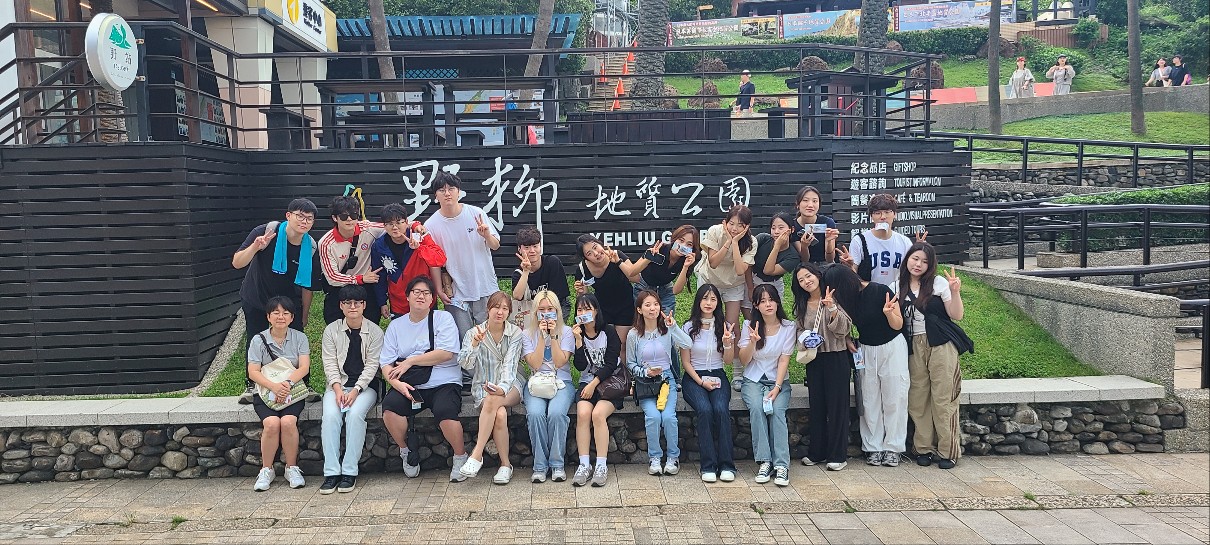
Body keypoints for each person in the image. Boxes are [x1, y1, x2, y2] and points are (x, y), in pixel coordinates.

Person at [378, 276, 468, 482]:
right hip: (409, 383)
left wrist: (410, 361)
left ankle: (460, 456)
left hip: (444, 381)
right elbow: (386, 363)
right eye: (416, 292)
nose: (421, 296)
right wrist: (397, 385)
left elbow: (446, 353)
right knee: (390, 409)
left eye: (426, 293)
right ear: (407, 296)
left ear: (432, 299)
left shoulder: (443, 319)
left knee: (446, 411)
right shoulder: (396, 326)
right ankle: (406, 451)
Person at [232, 198, 320, 404]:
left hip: (288, 303)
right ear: (288, 216)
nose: (304, 222)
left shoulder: (310, 246)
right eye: (300, 216)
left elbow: (307, 286)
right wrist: (255, 247)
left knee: (296, 341)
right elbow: (237, 262)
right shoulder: (266, 232)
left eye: (309, 219)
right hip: (257, 297)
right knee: (255, 339)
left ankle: (302, 383)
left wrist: (304, 314)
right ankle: (252, 385)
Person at [894, 242, 969, 470]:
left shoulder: (938, 283)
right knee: (918, 398)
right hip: (912, 346)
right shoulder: (896, 286)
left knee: (943, 397)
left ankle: (948, 450)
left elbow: (956, 315)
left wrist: (955, 292)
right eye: (915, 258)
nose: (918, 264)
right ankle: (923, 448)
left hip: (941, 344)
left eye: (925, 261)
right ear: (907, 259)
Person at [826, 265, 908, 467]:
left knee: (895, 397)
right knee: (869, 399)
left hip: (892, 346)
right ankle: (873, 447)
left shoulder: (880, 290)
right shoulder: (845, 301)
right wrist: (847, 339)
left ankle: (893, 447)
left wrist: (888, 313)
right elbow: (844, 325)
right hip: (865, 349)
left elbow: (898, 325)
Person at [318, 285, 383, 494]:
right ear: (341, 306)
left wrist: (355, 391)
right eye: (348, 303)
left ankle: (349, 471)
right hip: (337, 386)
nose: (352, 306)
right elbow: (329, 363)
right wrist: (338, 390)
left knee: (355, 415)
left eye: (357, 303)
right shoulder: (331, 330)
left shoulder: (375, 331)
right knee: (330, 417)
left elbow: (372, 366)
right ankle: (331, 472)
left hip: (366, 387)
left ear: (364, 305)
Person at [457, 291, 524, 485]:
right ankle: (505, 465)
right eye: (496, 307)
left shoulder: (515, 333)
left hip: (510, 385)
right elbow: (465, 364)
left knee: (494, 399)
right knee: (500, 414)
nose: (500, 312)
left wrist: (501, 389)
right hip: (482, 387)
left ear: (509, 312)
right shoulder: (474, 332)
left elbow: (510, 366)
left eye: (505, 309)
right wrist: (475, 344)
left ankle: (476, 454)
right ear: (488, 309)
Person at [423, 171, 500, 338]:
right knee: (464, 339)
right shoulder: (431, 225)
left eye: (451, 188)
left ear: (459, 191)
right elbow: (434, 262)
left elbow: (495, 245)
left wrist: (487, 235)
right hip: (456, 291)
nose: (447, 193)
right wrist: (439, 290)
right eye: (442, 190)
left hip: (484, 285)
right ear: (435, 195)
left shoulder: (476, 213)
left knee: (489, 338)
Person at [793, 264, 855, 471]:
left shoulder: (835, 297)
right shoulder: (802, 304)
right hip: (814, 359)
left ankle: (838, 455)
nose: (806, 281)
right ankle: (817, 452)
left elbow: (844, 330)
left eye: (808, 276)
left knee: (837, 407)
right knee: (817, 406)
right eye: (801, 280)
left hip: (836, 356)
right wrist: (805, 339)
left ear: (818, 275)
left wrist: (832, 309)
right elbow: (798, 330)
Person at [246, 296, 311, 491]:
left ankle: (292, 468)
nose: (280, 317)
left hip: (292, 392)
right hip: (266, 392)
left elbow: (304, 367)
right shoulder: (258, 340)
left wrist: (287, 384)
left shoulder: (300, 338)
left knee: (288, 422)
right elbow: (253, 371)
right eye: (276, 313)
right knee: (272, 424)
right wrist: (274, 387)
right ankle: (266, 469)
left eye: (285, 313)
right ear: (268, 317)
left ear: (292, 317)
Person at [626, 290, 693, 477]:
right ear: (639, 309)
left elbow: (687, 344)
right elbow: (630, 363)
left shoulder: (666, 330)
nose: (652, 308)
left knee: (669, 417)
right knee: (654, 417)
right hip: (645, 382)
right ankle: (655, 458)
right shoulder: (633, 335)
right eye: (647, 305)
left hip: (666, 380)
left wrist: (674, 327)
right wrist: (645, 372)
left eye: (655, 304)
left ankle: (673, 457)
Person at [737, 284, 796, 487]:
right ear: (756, 305)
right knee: (756, 408)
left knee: (777, 411)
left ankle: (781, 465)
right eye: (762, 301)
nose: (768, 304)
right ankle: (765, 461)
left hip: (778, 380)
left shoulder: (788, 327)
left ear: (777, 301)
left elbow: (784, 360)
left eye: (771, 300)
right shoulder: (749, 325)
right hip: (753, 379)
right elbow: (743, 360)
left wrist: (777, 387)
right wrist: (752, 342)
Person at [679, 284, 737, 483]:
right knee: (704, 409)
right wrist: (701, 381)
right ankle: (708, 465)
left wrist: (727, 343)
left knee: (720, 409)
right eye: (705, 298)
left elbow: (727, 361)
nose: (708, 303)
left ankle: (727, 465)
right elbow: (686, 362)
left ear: (718, 303)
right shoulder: (688, 327)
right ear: (698, 301)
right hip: (694, 376)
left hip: (718, 374)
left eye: (713, 299)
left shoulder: (724, 326)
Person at [695, 204, 757, 391]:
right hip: (709, 280)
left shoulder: (751, 242)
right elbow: (713, 262)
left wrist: (736, 243)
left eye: (740, 225)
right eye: (731, 223)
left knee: (732, 326)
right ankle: (708, 366)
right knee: (706, 322)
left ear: (747, 226)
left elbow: (740, 270)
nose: (734, 228)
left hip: (733, 285)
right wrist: (728, 242)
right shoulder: (715, 232)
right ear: (725, 222)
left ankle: (737, 373)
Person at [521, 289, 577, 483]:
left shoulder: (566, 332)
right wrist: (541, 337)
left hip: (561, 381)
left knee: (556, 413)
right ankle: (539, 466)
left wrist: (552, 336)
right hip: (537, 382)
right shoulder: (527, 334)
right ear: (535, 312)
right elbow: (535, 364)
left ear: (557, 310)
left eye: (550, 309)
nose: (546, 313)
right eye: (541, 309)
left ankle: (557, 464)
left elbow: (561, 362)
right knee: (535, 414)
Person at [570, 294, 624, 487]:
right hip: (587, 382)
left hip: (610, 383)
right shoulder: (576, 334)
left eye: (587, 309)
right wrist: (578, 341)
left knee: (598, 414)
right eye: (580, 310)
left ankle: (601, 465)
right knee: (583, 413)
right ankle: (584, 464)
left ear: (596, 311)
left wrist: (593, 384)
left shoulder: (608, 331)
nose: (583, 313)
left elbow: (610, 363)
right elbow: (580, 366)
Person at [317, 196, 386, 325]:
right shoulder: (326, 243)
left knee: (370, 325)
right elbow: (332, 277)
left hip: (366, 287)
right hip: (340, 287)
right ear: (335, 218)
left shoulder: (367, 228)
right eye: (344, 216)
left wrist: (415, 226)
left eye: (354, 215)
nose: (349, 219)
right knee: (336, 327)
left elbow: (394, 225)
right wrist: (360, 278)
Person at [370, 203, 447, 318]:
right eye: (390, 224)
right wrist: (382, 302)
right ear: (384, 226)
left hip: (424, 299)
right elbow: (379, 275)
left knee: (428, 328)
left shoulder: (419, 236)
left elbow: (440, 259)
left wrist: (419, 248)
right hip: (398, 303)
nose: (394, 227)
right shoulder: (379, 246)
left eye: (398, 222)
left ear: (406, 222)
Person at [573, 234, 641, 360]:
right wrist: (581, 291)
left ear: (600, 243)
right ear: (585, 258)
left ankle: (623, 372)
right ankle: (607, 371)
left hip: (625, 305)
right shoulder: (582, 269)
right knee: (606, 344)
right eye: (589, 253)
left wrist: (618, 262)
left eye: (595, 247)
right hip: (603, 308)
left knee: (622, 344)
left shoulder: (617, 254)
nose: (596, 254)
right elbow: (585, 297)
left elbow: (636, 278)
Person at [841, 194, 913, 287]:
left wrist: (920, 252)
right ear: (871, 216)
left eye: (887, 212)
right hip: (868, 292)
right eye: (877, 213)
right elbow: (853, 277)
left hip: (897, 293)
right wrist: (849, 267)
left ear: (894, 214)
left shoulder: (905, 242)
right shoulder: (859, 241)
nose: (883, 217)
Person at [629, 225, 699, 315]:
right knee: (645, 319)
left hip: (665, 288)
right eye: (681, 240)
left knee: (666, 320)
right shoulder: (660, 248)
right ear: (674, 239)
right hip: (644, 286)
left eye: (689, 244)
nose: (683, 246)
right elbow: (632, 272)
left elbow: (676, 291)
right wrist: (650, 258)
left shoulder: (687, 260)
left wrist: (686, 266)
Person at [744, 212, 801, 321]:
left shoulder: (792, 256)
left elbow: (768, 270)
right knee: (750, 315)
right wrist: (750, 288)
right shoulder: (762, 239)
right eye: (773, 228)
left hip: (774, 283)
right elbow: (747, 263)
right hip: (752, 279)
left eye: (781, 228)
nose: (776, 231)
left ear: (791, 230)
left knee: (772, 316)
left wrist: (777, 246)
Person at [511, 225, 570, 326]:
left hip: (555, 307)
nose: (532, 251)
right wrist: (526, 271)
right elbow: (517, 296)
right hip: (531, 313)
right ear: (519, 249)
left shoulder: (552, 263)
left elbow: (560, 297)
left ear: (540, 247)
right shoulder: (518, 273)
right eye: (527, 247)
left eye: (535, 246)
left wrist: (547, 318)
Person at [792, 186, 839, 264]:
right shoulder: (793, 226)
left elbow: (830, 260)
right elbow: (804, 260)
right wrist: (804, 246)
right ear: (797, 204)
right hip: (804, 267)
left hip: (826, 266)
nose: (810, 205)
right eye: (805, 200)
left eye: (815, 201)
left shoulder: (827, 222)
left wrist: (829, 242)